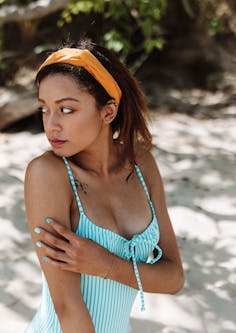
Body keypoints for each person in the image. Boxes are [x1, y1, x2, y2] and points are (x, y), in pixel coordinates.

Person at [24, 39, 184, 333]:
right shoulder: (49, 174)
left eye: (67, 110)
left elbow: (174, 278)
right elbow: (67, 307)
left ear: (108, 112)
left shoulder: (141, 163)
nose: (51, 125)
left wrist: (107, 265)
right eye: (44, 109)